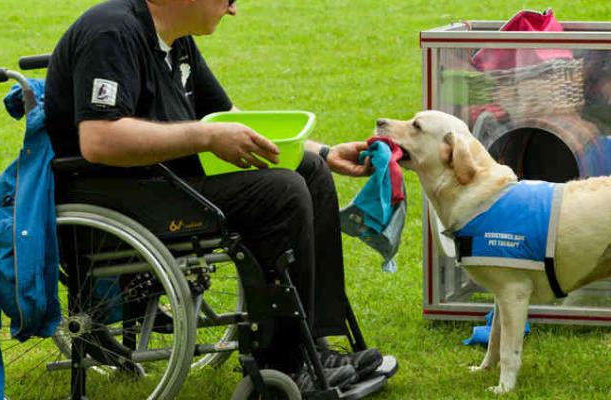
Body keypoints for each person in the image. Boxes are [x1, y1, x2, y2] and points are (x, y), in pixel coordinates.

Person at [44, 0, 382, 391]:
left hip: (165, 183)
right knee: (281, 192)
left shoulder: (177, 42)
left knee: (309, 172)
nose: (234, 10)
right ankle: (284, 364)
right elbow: (99, 140)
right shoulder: (111, 33)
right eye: (229, 0)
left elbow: (233, 121)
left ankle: (315, 342)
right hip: (118, 195)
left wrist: (322, 151)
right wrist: (205, 136)